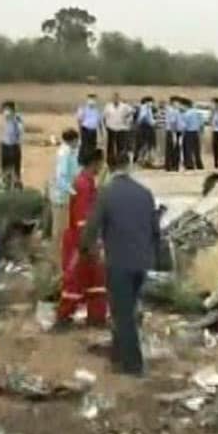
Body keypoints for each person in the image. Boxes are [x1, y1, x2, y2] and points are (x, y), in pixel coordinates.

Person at [81, 154, 160, 376]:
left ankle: (133, 366)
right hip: (142, 261)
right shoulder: (145, 193)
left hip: (119, 262)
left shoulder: (106, 193)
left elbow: (92, 225)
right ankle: (118, 354)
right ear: (129, 167)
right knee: (126, 308)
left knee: (122, 313)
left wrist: (85, 248)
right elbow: (155, 230)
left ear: (110, 168)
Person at [57, 148, 107, 327]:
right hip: (82, 240)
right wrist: (88, 245)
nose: (102, 166)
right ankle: (63, 317)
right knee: (75, 280)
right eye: (101, 163)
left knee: (95, 279)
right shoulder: (83, 185)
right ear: (94, 162)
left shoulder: (86, 183)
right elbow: (82, 220)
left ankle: (96, 316)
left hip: (86, 239)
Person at [50, 129, 80, 264]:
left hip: (65, 195)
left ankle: (61, 257)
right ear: (73, 140)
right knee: (60, 230)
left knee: (63, 229)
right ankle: (57, 260)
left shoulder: (69, 151)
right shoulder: (65, 153)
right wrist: (73, 192)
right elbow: (61, 177)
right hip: (61, 197)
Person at [103, 92, 133, 167]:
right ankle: (110, 162)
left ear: (119, 98)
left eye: (117, 98)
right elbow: (104, 117)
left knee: (121, 146)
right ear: (112, 99)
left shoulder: (124, 106)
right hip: (111, 128)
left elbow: (132, 112)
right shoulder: (108, 106)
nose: (115, 99)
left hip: (121, 128)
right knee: (110, 146)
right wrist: (106, 126)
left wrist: (127, 120)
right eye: (114, 98)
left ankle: (120, 162)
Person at [0, 101, 23, 186]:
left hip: (13, 146)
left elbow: (20, 132)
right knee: (4, 168)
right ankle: (5, 184)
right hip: (4, 145)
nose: (5, 111)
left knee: (15, 169)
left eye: (7, 109)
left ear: (12, 109)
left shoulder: (17, 118)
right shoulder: (4, 119)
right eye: (4, 109)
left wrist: (13, 119)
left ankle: (17, 185)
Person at [76, 94, 101, 165]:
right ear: (88, 100)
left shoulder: (97, 110)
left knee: (92, 146)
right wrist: (80, 130)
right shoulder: (83, 109)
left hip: (93, 131)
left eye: (94, 99)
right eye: (91, 99)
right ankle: (81, 161)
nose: (92, 101)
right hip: (85, 130)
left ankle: (90, 160)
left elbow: (98, 121)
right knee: (84, 145)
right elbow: (79, 120)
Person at [182, 99, 204, 170]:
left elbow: (184, 125)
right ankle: (199, 165)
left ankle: (190, 165)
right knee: (197, 150)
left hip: (189, 133)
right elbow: (201, 123)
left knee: (188, 150)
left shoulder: (186, 114)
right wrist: (201, 131)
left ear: (185, 106)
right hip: (196, 133)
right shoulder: (197, 112)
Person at [135, 97, 156, 165]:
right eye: (150, 102)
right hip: (144, 128)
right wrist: (153, 122)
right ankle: (141, 159)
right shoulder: (143, 108)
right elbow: (141, 118)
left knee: (150, 144)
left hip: (149, 128)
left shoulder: (150, 109)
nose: (151, 104)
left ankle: (148, 159)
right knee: (144, 144)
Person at [164, 97, 183, 172]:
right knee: (174, 150)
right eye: (177, 103)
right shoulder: (173, 111)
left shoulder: (170, 110)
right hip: (173, 132)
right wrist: (174, 134)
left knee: (170, 149)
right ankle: (174, 166)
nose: (178, 104)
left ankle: (169, 166)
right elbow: (173, 123)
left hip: (171, 131)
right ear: (173, 103)